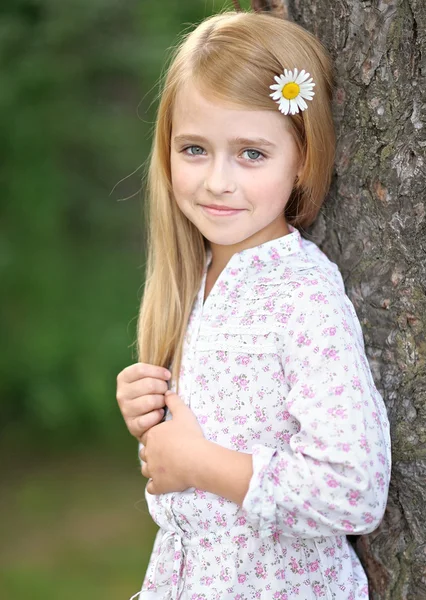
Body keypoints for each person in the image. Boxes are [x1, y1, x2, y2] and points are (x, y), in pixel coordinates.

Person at [116, 8, 391, 600]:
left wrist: (198, 464)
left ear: (303, 161)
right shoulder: (193, 283)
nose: (218, 181)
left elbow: (354, 490)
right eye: (194, 149)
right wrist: (149, 413)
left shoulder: (303, 295)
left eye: (251, 154)